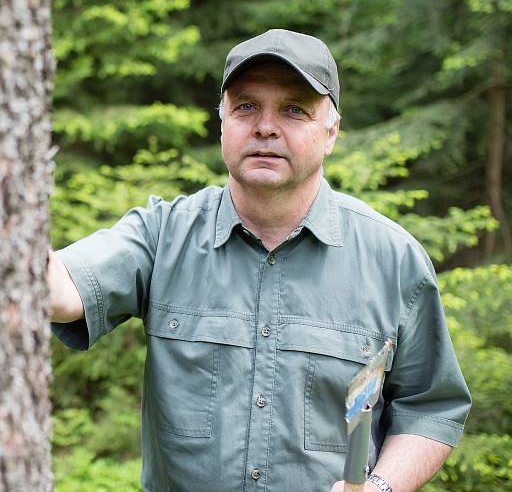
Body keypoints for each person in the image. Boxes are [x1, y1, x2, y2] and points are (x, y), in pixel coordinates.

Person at [48, 29, 471, 492]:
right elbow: (61, 289)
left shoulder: (394, 260)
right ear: (223, 125)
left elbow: (431, 408)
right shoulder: (162, 235)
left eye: (294, 110)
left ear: (330, 133)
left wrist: (381, 488)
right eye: (246, 106)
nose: (265, 126)